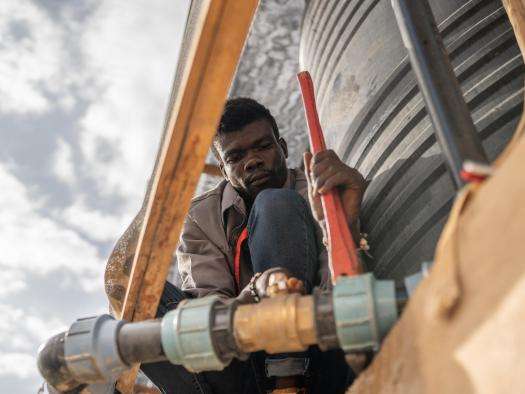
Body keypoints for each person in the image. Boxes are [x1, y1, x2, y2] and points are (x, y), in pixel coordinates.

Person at [106, 97, 366, 393]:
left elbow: (341, 299)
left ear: (282, 148)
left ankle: (289, 378)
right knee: (132, 294)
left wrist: (346, 227)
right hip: (243, 368)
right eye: (235, 156)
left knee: (274, 203)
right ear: (224, 168)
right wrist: (254, 294)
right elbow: (210, 311)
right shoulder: (202, 217)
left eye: (263, 147)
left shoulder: (322, 192)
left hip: (320, 354)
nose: (252, 161)